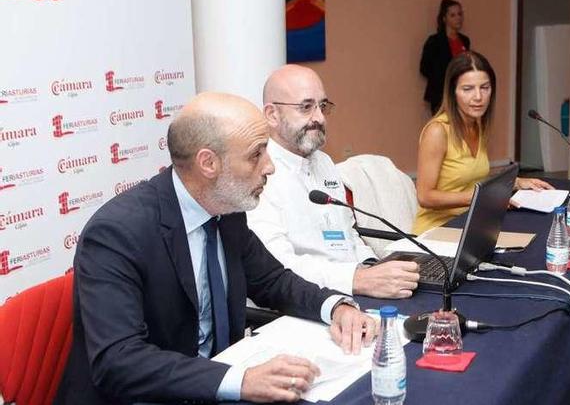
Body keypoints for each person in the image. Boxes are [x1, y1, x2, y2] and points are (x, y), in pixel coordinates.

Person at [55, 93, 376, 405]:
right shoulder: (117, 234)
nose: (270, 167)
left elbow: (273, 281)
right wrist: (241, 381)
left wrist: (336, 307)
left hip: (214, 383)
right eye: (256, 154)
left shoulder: (226, 211)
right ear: (208, 163)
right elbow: (118, 361)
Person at [247, 65, 421, 299]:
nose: (319, 118)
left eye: (323, 106)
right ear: (272, 115)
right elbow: (278, 266)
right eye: (306, 107)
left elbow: (348, 235)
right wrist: (357, 280)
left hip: (355, 287)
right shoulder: (257, 174)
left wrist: (371, 265)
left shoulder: (324, 162)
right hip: (307, 300)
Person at [413, 51, 553, 234]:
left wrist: (514, 183)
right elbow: (425, 196)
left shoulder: (476, 124)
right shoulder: (438, 131)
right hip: (437, 230)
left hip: (471, 223)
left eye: (484, 87)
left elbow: (471, 178)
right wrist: (481, 197)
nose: (478, 97)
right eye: (468, 89)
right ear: (453, 92)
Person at [420, 0, 471, 114]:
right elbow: (424, 68)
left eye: (460, 14)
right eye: (453, 15)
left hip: (461, 95)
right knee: (444, 128)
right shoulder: (435, 41)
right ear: (444, 19)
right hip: (441, 95)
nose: (458, 18)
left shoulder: (465, 41)